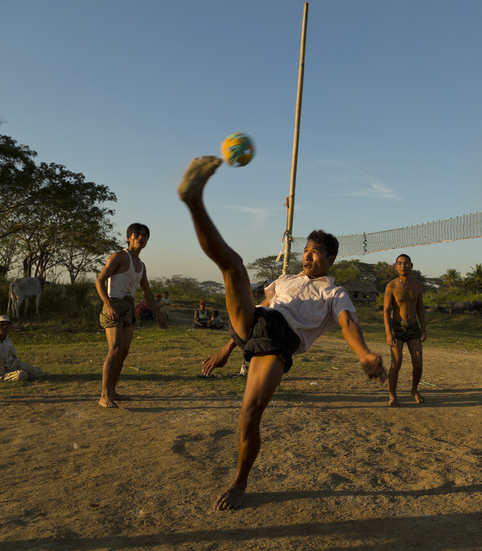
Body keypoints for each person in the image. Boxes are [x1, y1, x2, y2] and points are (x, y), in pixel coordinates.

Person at [178, 155, 386, 511]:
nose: (307, 257)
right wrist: (229, 347)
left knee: (248, 416)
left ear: (330, 259)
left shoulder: (333, 293)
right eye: (305, 251)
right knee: (233, 266)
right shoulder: (285, 279)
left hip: (280, 339)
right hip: (258, 321)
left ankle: (240, 482)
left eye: (315, 253)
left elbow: (348, 323)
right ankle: (194, 200)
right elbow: (257, 313)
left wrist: (364, 354)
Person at [95, 223, 168, 408]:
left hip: (129, 308)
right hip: (114, 304)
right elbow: (100, 281)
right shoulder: (119, 256)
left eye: (145, 235)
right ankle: (103, 395)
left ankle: (112, 391)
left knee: (124, 352)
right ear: (129, 237)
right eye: (137, 235)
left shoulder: (141, 266)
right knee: (115, 348)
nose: (141, 238)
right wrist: (108, 304)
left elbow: (147, 293)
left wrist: (159, 314)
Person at [382, 253, 427, 406]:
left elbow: (420, 308)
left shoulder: (418, 285)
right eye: (400, 263)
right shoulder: (391, 286)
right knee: (396, 363)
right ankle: (392, 395)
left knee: (418, 362)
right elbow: (386, 311)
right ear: (396, 267)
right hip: (397, 328)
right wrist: (388, 333)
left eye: (406, 263)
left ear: (411, 265)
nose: (403, 266)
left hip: (413, 327)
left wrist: (423, 328)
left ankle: (414, 390)